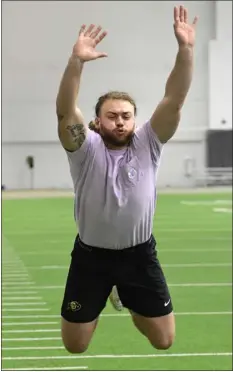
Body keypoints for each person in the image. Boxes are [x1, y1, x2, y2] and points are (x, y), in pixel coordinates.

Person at [56, 5, 198, 353]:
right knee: (75, 346)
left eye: (126, 116)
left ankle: (129, 297)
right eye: (112, 116)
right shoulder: (85, 148)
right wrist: (77, 62)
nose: (119, 122)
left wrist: (186, 50)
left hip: (139, 256)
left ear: (134, 120)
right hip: (91, 258)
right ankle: (105, 294)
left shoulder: (149, 142)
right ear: (98, 121)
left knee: (163, 341)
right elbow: (64, 110)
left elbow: (175, 99)